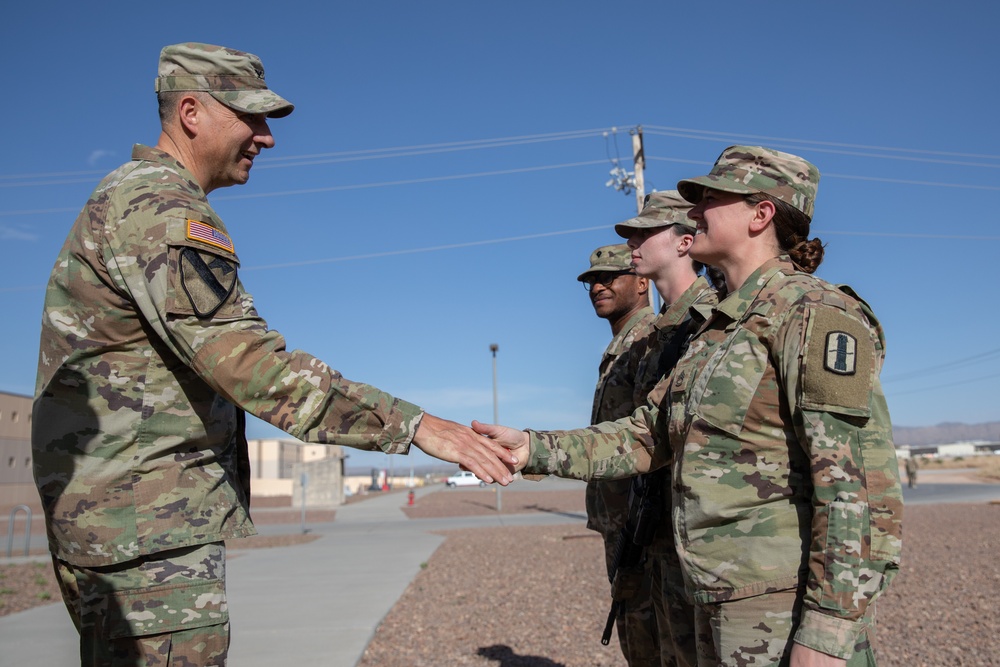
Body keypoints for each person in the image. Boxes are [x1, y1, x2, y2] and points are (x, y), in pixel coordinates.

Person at [31, 42, 515, 666]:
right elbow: (252, 366)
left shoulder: (134, 198)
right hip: (146, 533)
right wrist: (415, 425)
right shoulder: (160, 207)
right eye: (250, 116)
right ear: (190, 112)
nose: (266, 138)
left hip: (126, 526)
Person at [475, 146, 902, 667]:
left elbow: (855, 484)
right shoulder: (714, 334)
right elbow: (644, 436)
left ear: (760, 214)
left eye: (709, 199)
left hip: (776, 601)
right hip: (709, 594)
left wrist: (830, 628)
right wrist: (531, 448)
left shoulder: (811, 313)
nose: (693, 212)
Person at [613, 190, 718, 667]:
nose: (632, 241)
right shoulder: (659, 333)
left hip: (697, 536)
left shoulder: (711, 319)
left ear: (684, 242)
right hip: (655, 526)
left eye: (645, 231)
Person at [576, 243, 657, 664]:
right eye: (591, 280)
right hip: (622, 521)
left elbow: (651, 438)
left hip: (641, 525)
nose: (597, 286)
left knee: (649, 638)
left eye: (609, 277)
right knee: (634, 630)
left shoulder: (647, 340)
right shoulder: (620, 347)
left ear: (643, 282)